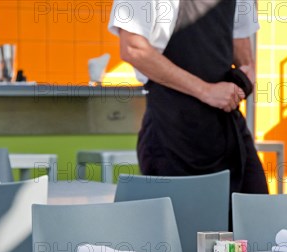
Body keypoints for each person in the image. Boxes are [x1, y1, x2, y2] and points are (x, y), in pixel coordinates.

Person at [108, 0, 269, 194]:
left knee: (255, 212)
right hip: (173, 131)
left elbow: (239, 37)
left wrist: (247, 72)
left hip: (226, 125)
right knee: (186, 221)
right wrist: (206, 91)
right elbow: (133, 48)